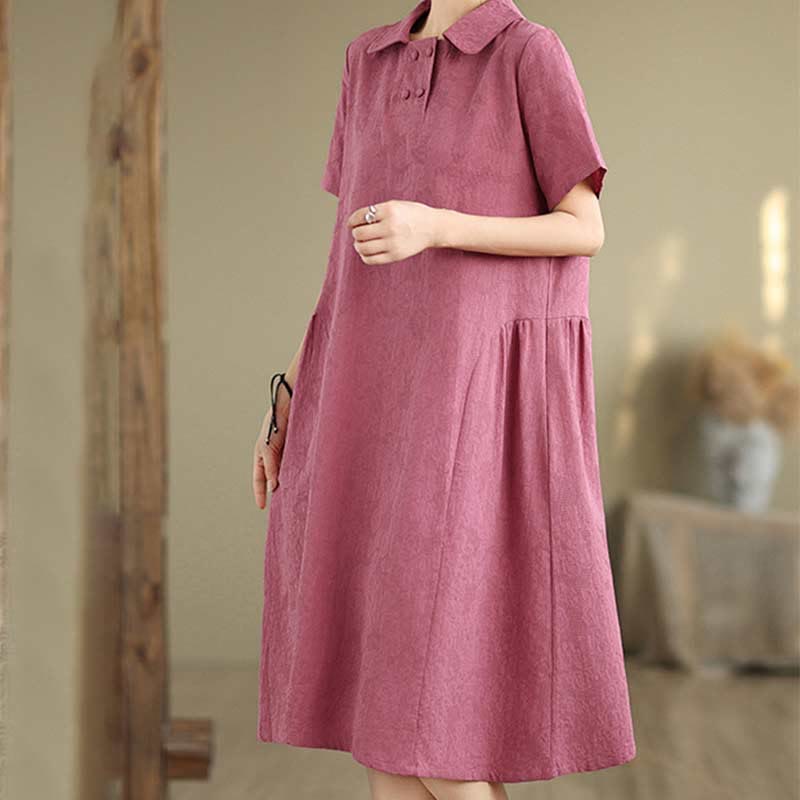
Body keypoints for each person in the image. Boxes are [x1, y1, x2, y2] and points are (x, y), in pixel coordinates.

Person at [252, 1, 637, 798]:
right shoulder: (366, 62)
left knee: (424, 727)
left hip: (466, 412)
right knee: (382, 735)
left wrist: (437, 226)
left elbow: (584, 227)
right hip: (363, 400)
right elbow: (344, 260)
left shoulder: (527, 52)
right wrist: (291, 389)